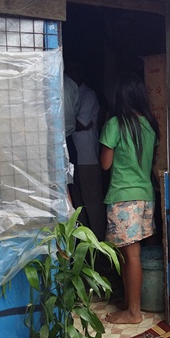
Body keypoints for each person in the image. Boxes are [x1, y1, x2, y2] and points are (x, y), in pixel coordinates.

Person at [100, 71, 159, 324]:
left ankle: (134, 312)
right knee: (128, 253)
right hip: (145, 195)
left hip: (124, 197)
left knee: (130, 254)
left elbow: (105, 164)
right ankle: (128, 301)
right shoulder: (150, 124)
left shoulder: (115, 124)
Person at [67, 62, 106, 239]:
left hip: (87, 157)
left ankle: (100, 244)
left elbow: (78, 123)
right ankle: (85, 242)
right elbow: (76, 124)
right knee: (77, 203)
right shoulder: (71, 94)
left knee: (92, 202)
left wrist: (70, 122)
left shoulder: (88, 94)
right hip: (74, 157)